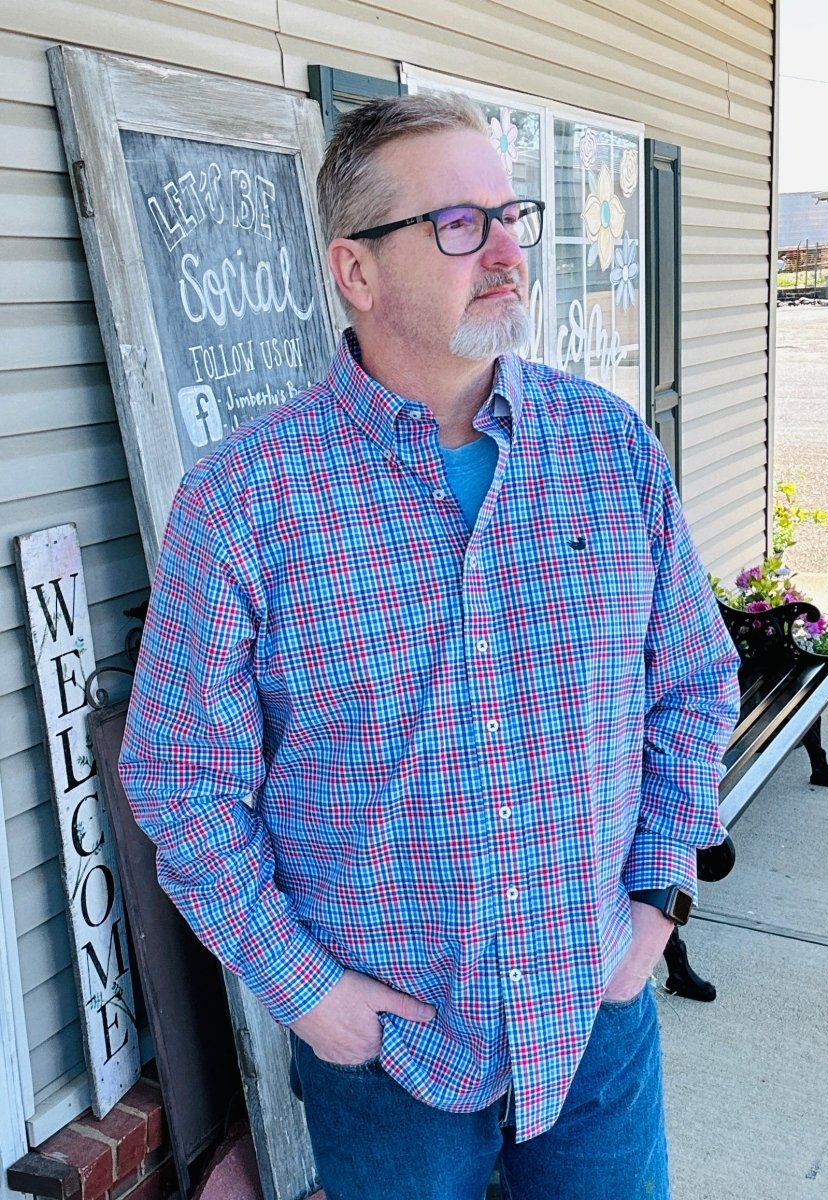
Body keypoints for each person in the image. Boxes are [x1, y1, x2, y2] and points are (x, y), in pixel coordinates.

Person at [119, 93, 741, 1200]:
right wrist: (303, 990)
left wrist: (655, 900)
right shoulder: (243, 501)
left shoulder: (609, 448)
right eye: (457, 224)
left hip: (591, 1023)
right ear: (354, 271)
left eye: (509, 213)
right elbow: (182, 780)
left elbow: (690, 684)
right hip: (391, 1058)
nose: (505, 249)